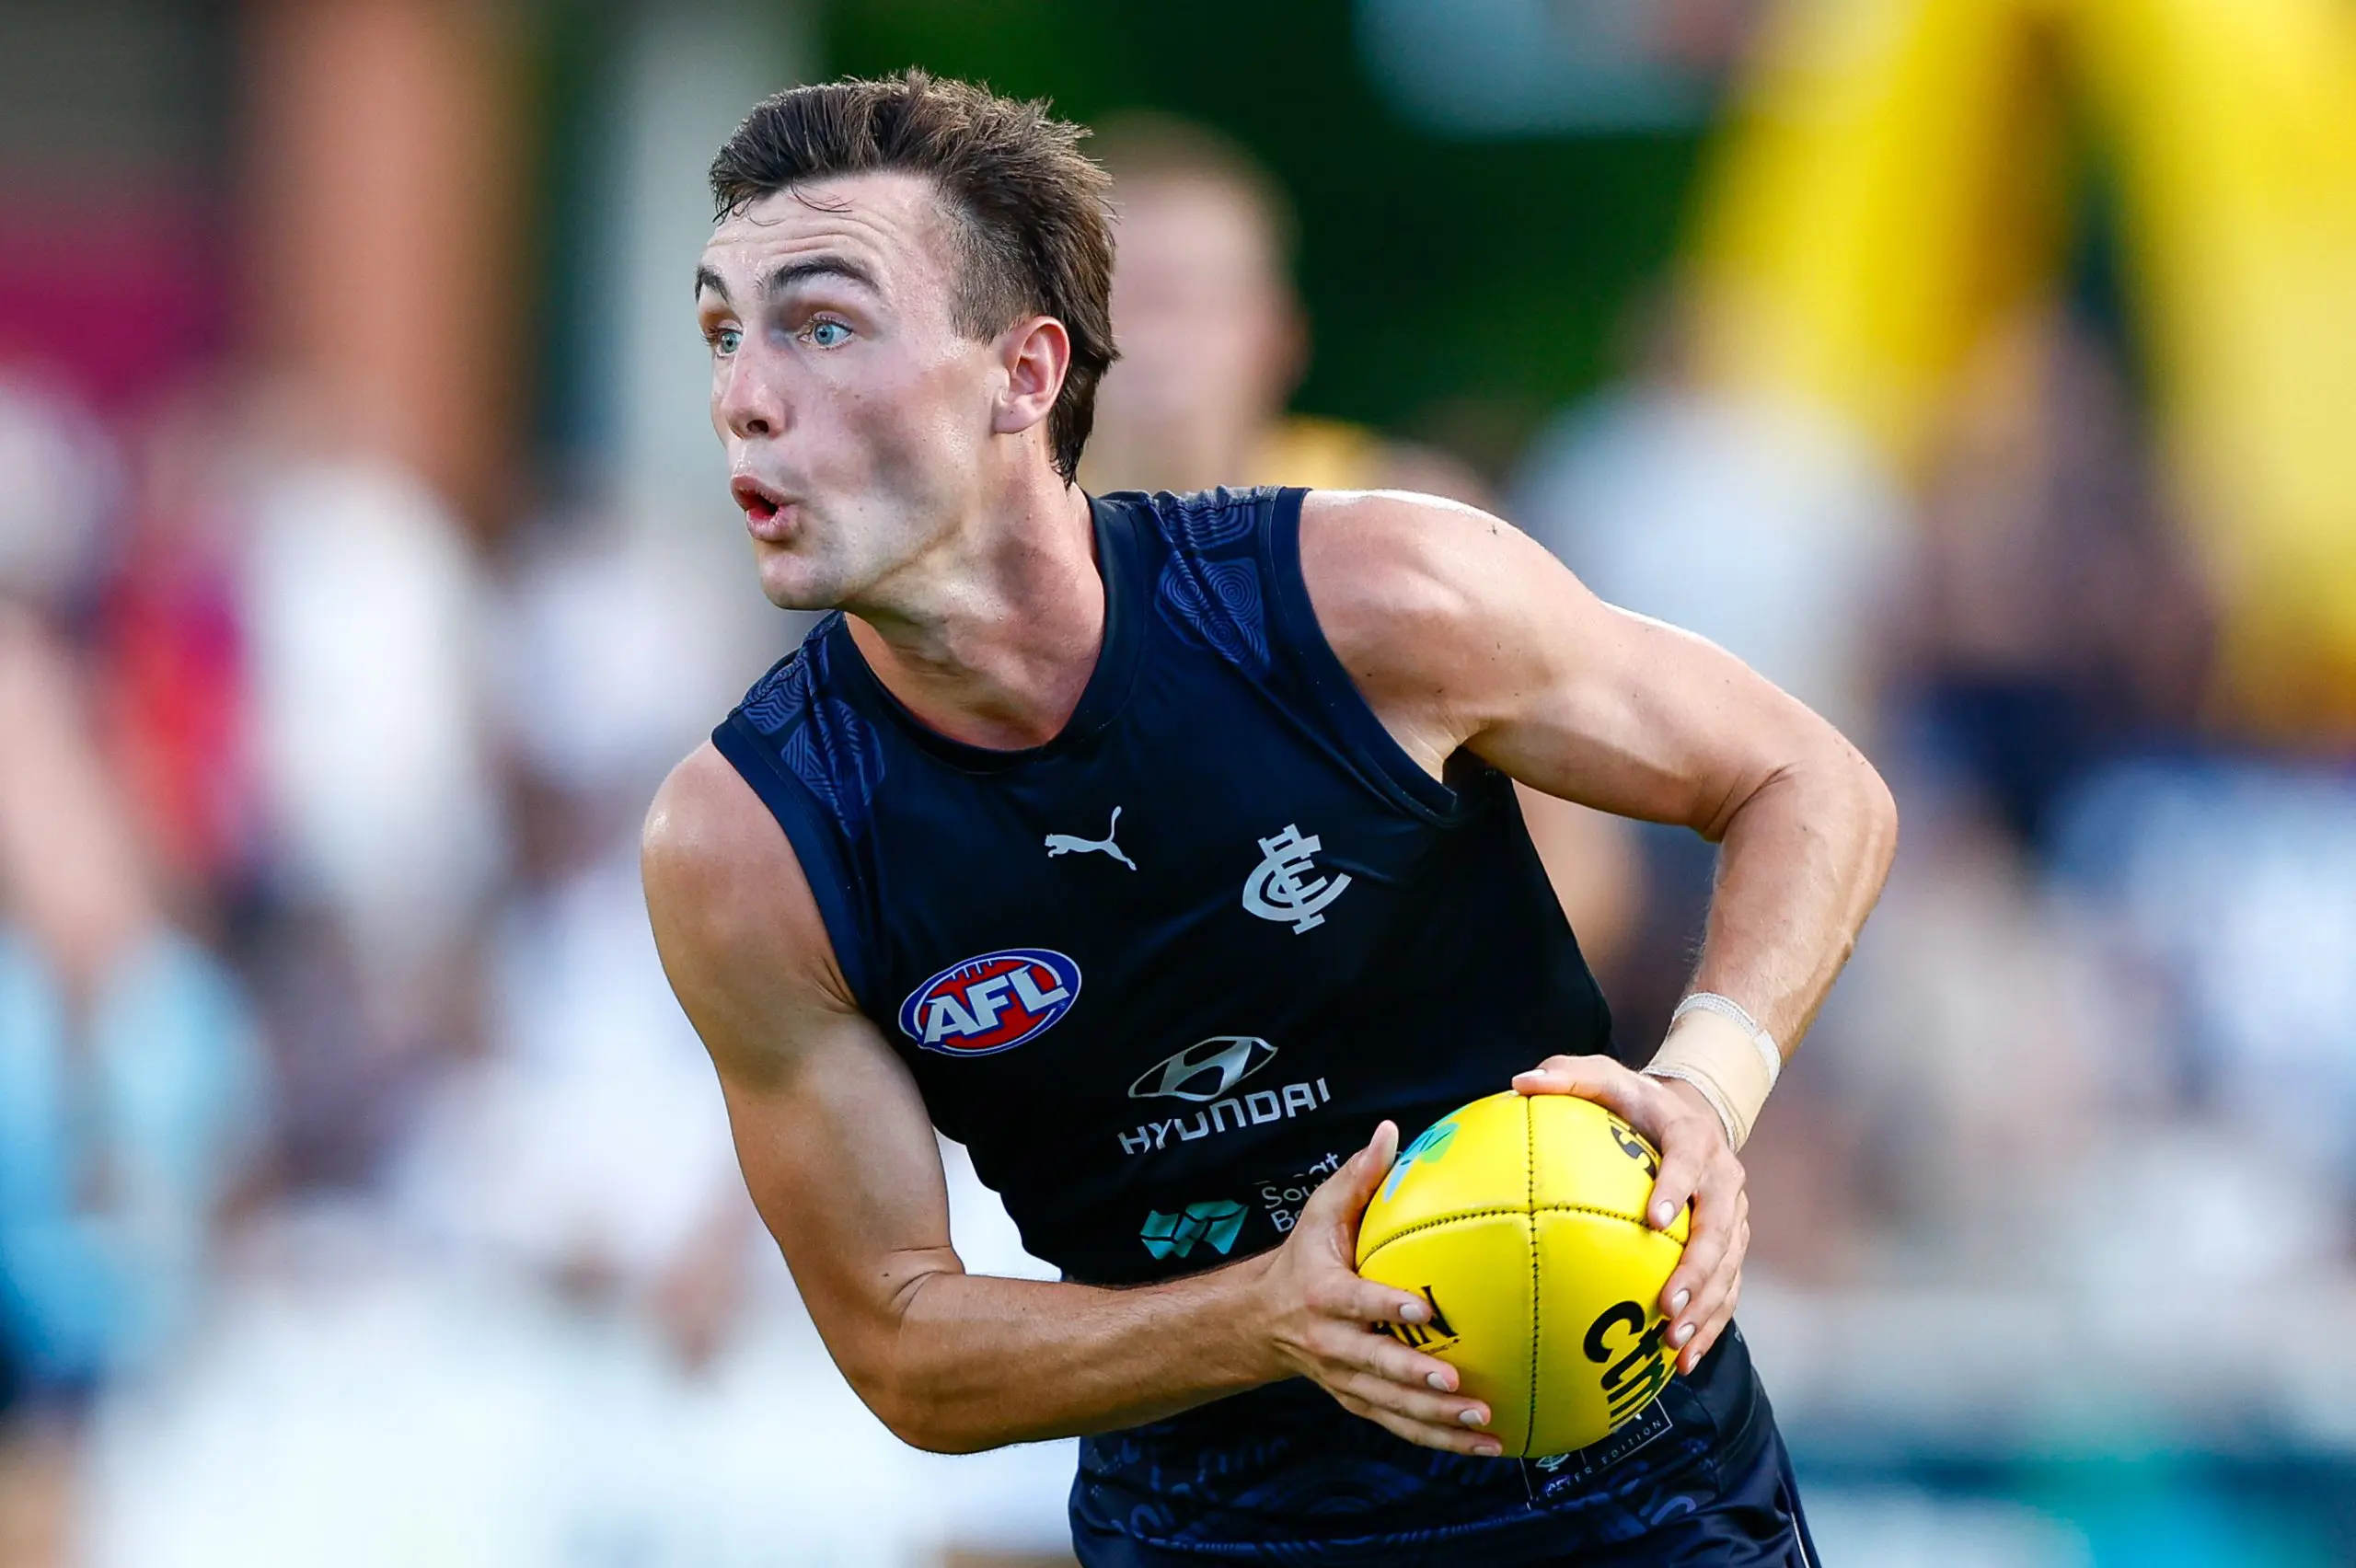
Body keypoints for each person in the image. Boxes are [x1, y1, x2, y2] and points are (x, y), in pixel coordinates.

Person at [642, 72, 1896, 1565]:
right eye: (725, 333)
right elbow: (904, 1348)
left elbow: (1811, 781)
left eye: (823, 323)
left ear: (1025, 374)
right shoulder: (744, 843)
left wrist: (1702, 1090)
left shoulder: (1376, 593)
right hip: (1214, 1535)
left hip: (1631, 1494)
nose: (744, 395)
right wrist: (1267, 1318)